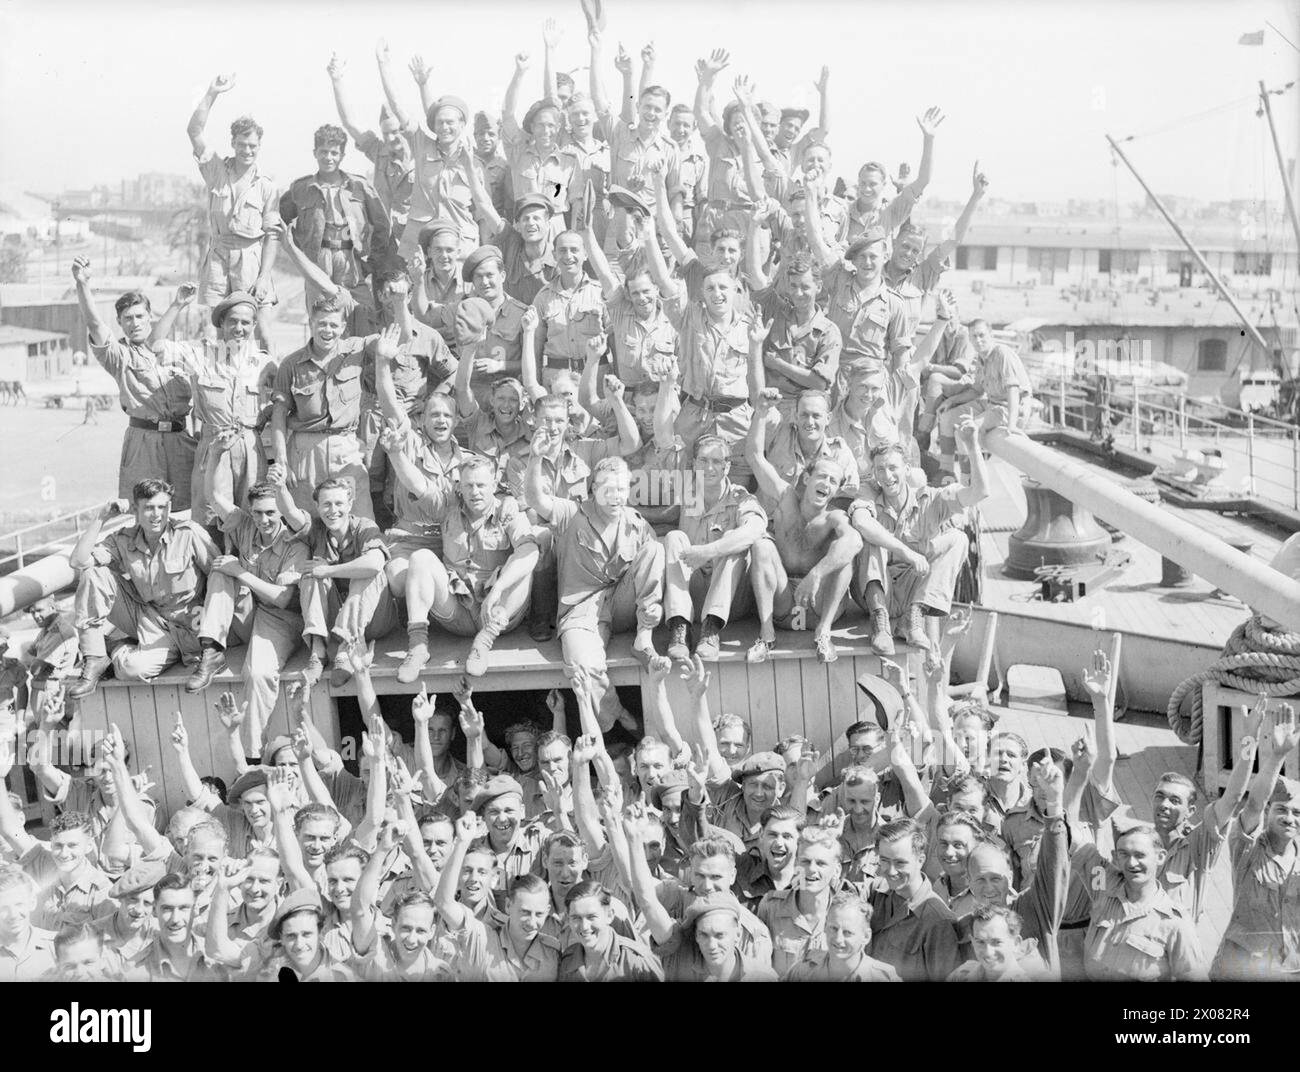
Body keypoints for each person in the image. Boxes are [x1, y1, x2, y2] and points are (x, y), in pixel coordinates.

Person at [525, 452, 664, 731]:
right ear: (593, 490)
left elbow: (651, 565)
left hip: (622, 603)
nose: (616, 497)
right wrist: (536, 457)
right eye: (607, 490)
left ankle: (643, 638)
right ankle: (618, 713)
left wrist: (653, 609)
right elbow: (535, 499)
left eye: (621, 489)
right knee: (583, 668)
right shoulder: (572, 514)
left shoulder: (635, 522)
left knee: (656, 547)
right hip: (582, 609)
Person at [185, 464, 308, 749]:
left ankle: (253, 754)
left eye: (270, 513)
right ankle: (211, 650)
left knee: (258, 673)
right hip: (249, 611)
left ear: (281, 512)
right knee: (219, 570)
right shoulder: (244, 525)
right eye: (258, 513)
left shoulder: (295, 544)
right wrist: (216, 454)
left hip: (281, 619)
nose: (264, 520)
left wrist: (240, 572)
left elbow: (284, 599)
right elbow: (214, 495)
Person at [391, 451, 540, 681]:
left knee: (525, 558)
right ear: (459, 487)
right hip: (457, 609)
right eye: (469, 485)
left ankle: (483, 642)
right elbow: (418, 484)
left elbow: (529, 551)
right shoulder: (448, 507)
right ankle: (418, 646)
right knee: (420, 558)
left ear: (493, 485)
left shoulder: (506, 509)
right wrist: (394, 452)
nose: (475, 492)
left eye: (481, 485)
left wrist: (498, 589)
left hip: (496, 613)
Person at [65, 480, 219, 697]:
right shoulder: (124, 539)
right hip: (146, 617)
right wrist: (102, 518)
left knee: (132, 669)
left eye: (162, 507)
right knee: (93, 573)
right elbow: (78, 562)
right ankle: (96, 656)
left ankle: (115, 647)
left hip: (188, 626)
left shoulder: (188, 534)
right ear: (136, 511)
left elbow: (219, 577)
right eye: (148, 508)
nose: (156, 514)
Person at [849, 416, 986, 654]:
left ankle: (914, 617)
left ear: (907, 469)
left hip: (913, 590)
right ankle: (880, 627)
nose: (887, 476)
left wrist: (972, 444)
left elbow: (979, 492)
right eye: (880, 469)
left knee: (958, 539)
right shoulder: (868, 493)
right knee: (872, 541)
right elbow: (862, 522)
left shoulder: (931, 499)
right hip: (876, 594)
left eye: (893, 468)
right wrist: (907, 553)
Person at [71, 257, 199, 510]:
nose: (135, 323)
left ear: (150, 317)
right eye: (127, 318)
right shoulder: (118, 356)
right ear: (119, 322)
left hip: (180, 440)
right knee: (145, 511)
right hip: (144, 442)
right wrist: (82, 284)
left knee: (187, 510)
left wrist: (178, 303)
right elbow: (95, 323)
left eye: (140, 316)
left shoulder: (176, 352)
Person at [745, 396, 864, 664]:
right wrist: (761, 412)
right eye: (822, 476)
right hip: (783, 602)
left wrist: (816, 574)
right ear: (807, 477)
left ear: (837, 490)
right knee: (762, 546)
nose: (827, 483)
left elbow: (855, 542)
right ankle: (766, 636)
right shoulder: (785, 496)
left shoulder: (834, 516)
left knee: (843, 555)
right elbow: (754, 457)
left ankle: (824, 635)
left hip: (820, 607)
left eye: (833, 481)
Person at [150, 286, 278, 528]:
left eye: (246, 323)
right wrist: (177, 304)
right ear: (221, 322)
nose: (239, 329)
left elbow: (283, 402)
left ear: (253, 326)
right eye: (232, 321)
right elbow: (154, 347)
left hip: (251, 446)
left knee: (253, 515)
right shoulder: (201, 354)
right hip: (213, 445)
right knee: (209, 516)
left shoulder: (265, 363)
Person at [276, 476, 399, 689]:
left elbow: (375, 563)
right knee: (311, 574)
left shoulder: (363, 526)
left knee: (369, 572)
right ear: (317, 506)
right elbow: (291, 514)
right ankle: (318, 652)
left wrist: (329, 570)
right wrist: (279, 487)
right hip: (335, 618)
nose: (333, 510)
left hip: (375, 618)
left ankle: (345, 649)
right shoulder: (317, 530)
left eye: (339, 503)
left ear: (350, 504)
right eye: (326, 504)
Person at [186, 74, 280, 347]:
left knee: (261, 330)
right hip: (218, 257)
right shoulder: (217, 171)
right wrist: (212, 92)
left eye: (252, 145)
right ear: (233, 144)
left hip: (251, 258)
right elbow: (194, 131)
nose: (246, 150)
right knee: (216, 331)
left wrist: (263, 277)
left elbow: (272, 236)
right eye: (241, 144)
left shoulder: (266, 187)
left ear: (259, 146)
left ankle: (269, 384)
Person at [662, 435, 768, 663]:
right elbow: (660, 517)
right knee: (673, 537)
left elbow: (755, 529)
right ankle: (680, 628)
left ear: (727, 466)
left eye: (717, 461)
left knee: (735, 540)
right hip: (694, 593)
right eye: (703, 460)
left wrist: (709, 551)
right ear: (694, 464)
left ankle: (711, 630)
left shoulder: (740, 497)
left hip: (731, 601)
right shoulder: (686, 495)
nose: (709, 468)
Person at [1212, 704, 1300, 979]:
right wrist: (1278, 755)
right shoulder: (1247, 846)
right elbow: (1255, 803)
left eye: (1297, 813)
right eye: (1281, 810)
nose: (1289, 818)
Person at [269, 294, 376, 520]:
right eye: (322, 324)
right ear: (311, 323)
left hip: (345, 449)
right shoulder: (291, 364)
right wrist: (282, 462)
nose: (328, 330)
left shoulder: (356, 350)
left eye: (334, 325)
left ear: (343, 326)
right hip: (305, 452)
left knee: (360, 520)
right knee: (307, 522)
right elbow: (278, 416)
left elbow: (385, 341)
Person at [1075, 824, 1208, 982]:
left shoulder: (1176, 923)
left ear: (1160, 857)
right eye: (1123, 854)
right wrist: (1053, 807)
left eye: (1140, 855)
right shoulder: (1103, 888)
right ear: (1116, 857)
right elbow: (1079, 848)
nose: (1131, 863)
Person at [279, 124, 389, 295]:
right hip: (317, 261)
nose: (328, 157)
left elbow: (382, 226)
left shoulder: (359, 186)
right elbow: (280, 220)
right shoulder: (301, 189)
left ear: (342, 155)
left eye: (334, 153)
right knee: (321, 315)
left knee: (359, 313)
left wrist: (372, 262)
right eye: (323, 151)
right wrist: (299, 251)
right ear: (315, 152)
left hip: (351, 259)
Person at [327, 51, 415, 244]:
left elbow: (397, 102)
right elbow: (350, 123)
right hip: (385, 237)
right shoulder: (380, 152)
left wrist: (383, 63)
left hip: (414, 241)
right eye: (386, 134)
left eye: (396, 131)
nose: (391, 138)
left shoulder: (421, 152)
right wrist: (337, 80)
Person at [865, 817, 962, 981]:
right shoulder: (875, 892)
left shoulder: (938, 921)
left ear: (921, 860)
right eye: (884, 861)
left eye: (900, 863)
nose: (891, 871)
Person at [935, 319, 1031, 481]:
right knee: (947, 417)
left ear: (991, 335)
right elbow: (977, 390)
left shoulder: (1002, 354)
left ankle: (969, 482)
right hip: (992, 403)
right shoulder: (981, 359)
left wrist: (1012, 425)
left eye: (982, 335)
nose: (978, 340)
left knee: (963, 431)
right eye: (974, 337)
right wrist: (951, 401)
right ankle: (947, 472)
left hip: (1010, 408)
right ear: (970, 339)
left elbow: (1013, 391)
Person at [844, 108, 945, 242]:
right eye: (863, 183)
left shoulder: (891, 211)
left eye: (873, 184)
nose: (867, 189)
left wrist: (929, 139)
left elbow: (923, 180)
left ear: (883, 185)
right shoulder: (844, 212)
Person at [785, 894, 901, 981]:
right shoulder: (803, 971)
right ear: (825, 927)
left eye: (847, 932)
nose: (838, 939)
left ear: (866, 936)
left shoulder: (883, 977)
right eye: (833, 928)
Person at [0, 866, 56, 981]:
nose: (13, 914)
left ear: (32, 902)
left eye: (19, 904)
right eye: (3, 907)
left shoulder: (57, 946)